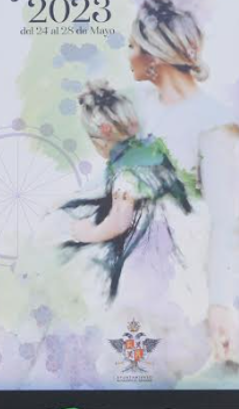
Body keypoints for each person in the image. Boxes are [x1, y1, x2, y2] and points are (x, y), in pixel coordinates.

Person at [126, 0, 239, 366]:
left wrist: (220, 303)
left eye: (132, 46)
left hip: (176, 277)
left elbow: (224, 220)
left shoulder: (212, 122)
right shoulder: (139, 104)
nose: (127, 55)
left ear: (154, 55)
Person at [61, 80, 195, 303]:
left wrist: (87, 233)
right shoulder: (152, 148)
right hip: (185, 223)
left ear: (100, 140)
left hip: (155, 242)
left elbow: (119, 222)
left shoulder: (124, 175)